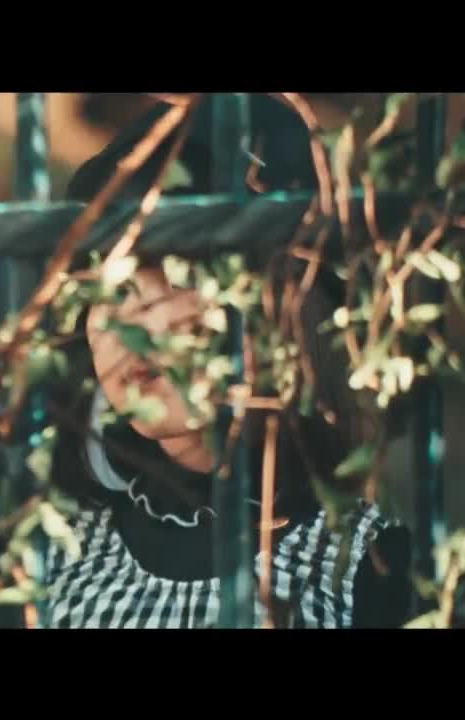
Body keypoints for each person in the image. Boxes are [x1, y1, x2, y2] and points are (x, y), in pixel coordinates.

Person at [41, 97, 414, 629]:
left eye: (183, 273)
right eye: (113, 285)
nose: (134, 318)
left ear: (289, 308)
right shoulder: (54, 553)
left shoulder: (365, 566)